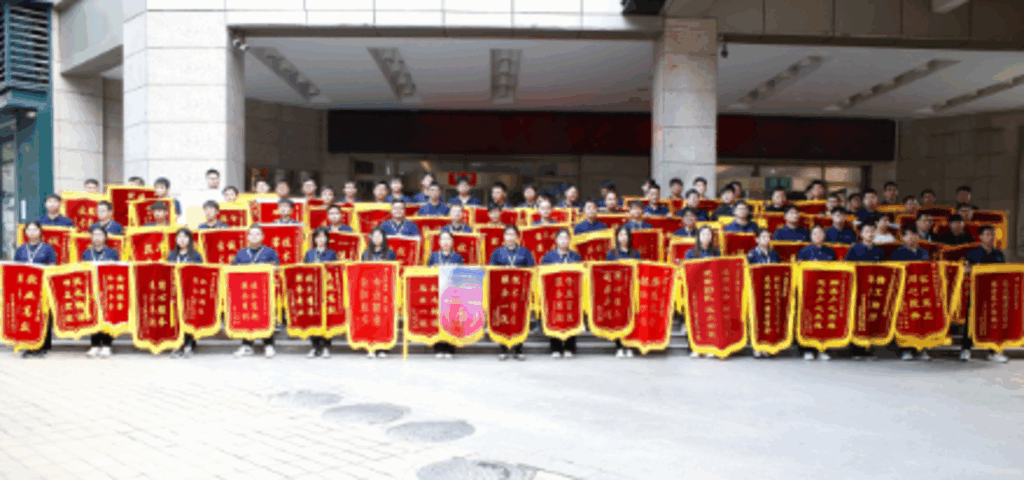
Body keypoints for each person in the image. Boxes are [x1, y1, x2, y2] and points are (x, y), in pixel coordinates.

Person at [232, 225, 281, 358]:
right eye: (252, 234)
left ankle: (268, 344)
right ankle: (247, 345)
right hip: (246, 291)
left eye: (257, 234)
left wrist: (266, 267)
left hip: (264, 292)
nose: (254, 237)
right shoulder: (241, 253)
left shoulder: (269, 252)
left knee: (266, 317)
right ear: (247, 237)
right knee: (247, 317)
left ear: (263, 237)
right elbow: (233, 269)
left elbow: (277, 268)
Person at [960, 226, 1008, 363]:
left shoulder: (999, 254)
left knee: (994, 322)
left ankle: (994, 351)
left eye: (992, 234)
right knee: (972, 320)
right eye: (987, 234)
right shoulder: (972, 253)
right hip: (977, 291)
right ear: (980, 237)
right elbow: (965, 270)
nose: (991, 237)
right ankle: (966, 349)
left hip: (994, 292)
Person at [489, 225, 535, 361]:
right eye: (508, 234)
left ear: (517, 236)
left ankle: (519, 349)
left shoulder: (525, 252)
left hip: (519, 292)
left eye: (513, 234)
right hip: (502, 292)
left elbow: (532, 269)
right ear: (504, 237)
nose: (510, 237)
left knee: (519, 319)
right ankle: (503, 349)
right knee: (502, 319)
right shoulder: (497, 252)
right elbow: (491, 270)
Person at [13, 221, 58, 358]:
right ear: (25, 232)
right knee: (27, 315)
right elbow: (15, 268)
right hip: (26, 288)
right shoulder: (21, 249)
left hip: (43, 287)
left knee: (43, 315)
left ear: (40, 231)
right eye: (29, 230)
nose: (32, 232)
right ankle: (29, 345)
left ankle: (43, 346)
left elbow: (53, 266)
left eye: (35, 230)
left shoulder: (47, 248)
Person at [540, 228, 583, 359]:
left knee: (571, 318)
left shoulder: (575, 257)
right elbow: (542, 275)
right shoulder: (549, 257)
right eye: (561, 238)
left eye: (566, 238)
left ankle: (570, 347)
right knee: (554, 319)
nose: (563, 241)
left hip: (571, 294)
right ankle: (555, 348)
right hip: (554, 294)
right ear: (556, 240)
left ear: (570, 240)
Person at [889, 227, 931, 361]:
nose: (912, 237)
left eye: (915, 235)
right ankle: (905, 349)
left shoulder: (924, 253)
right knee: (905, 321)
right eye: (908, 235)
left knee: (922, 321)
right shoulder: (897, 253)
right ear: (903, 238)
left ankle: (921, 349)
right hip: (905, 292)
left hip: (921, 292)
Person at [845, 222, 885, 360]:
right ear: (861, 234)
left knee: (871, 318)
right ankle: (856, 349)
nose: (870, 234)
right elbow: (848, 268)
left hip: (874, 289)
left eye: (872, 231)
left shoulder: (879, 251)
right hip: (859, 289)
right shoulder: (854, 249)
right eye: (867, 231)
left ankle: (868, 348)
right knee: (857, 318)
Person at [82, 226, 120, 359]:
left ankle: (107, 345)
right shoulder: (86, 253)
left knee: (108, 317)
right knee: (94, 316)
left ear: (105, 237)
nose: (97, 238)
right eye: (94, 235)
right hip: (92, 288)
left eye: (100, 235)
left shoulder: (112, 253)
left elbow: (117, 270)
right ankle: (95, 344)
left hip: (107, 288)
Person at [301, 227, 339, 359]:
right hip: (313, 291)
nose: (320, 239)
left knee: (327, 320)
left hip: (327, 290)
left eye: (323, 237)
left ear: (327, 239)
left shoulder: (332, 253)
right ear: (314, 239)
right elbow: (304, 270)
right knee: (313, 319)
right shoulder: (309, 254)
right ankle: (315, 347)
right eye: (318, 237)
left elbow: (336, 271)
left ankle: (326, 347)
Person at [426, 230, 464, 360]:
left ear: (452, 242)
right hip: (437, 292)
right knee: (438, 320)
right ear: (439, 242)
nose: (446, 242)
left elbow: (462, 275)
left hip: (452, 293)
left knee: (452, 320)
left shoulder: (458, 257)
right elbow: (427, 273)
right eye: (443, 239)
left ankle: (450, 348)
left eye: (448, 239)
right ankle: (438, 347)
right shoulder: (433, 256)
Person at [167, 228, 204, 359]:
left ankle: (189, 344)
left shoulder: (196, 256)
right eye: (179, 237)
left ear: (189, 239)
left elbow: (200, 273)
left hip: (191, 291)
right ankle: (178, 344)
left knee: (189, 317)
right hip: (176, 292)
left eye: (185, 237)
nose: (182, 240)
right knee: (177, 318)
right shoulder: (172, 255)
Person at [605, 225, 640, 358]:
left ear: (629, 237)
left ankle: (630, 346)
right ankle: (619, 347)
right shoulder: (611, 254)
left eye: (625, 235)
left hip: (632, 290)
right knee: (618, 320)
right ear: (617, 237)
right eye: (621, 235)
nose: (623, 237)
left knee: (631, 318)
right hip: (617, 290)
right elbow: (608, 272)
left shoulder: (635, 253)